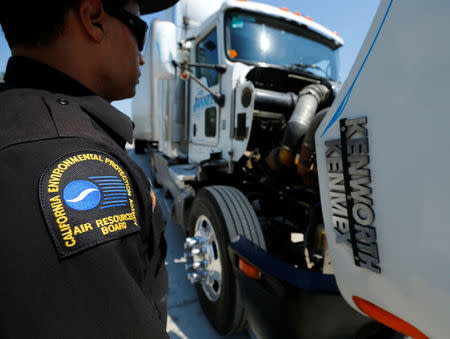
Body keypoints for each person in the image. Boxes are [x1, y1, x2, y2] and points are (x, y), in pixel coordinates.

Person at [0, 0, 177, 338]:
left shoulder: (20, 125)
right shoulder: (73, 163)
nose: (142, 57)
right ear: (94, 19)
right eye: (140, 33)